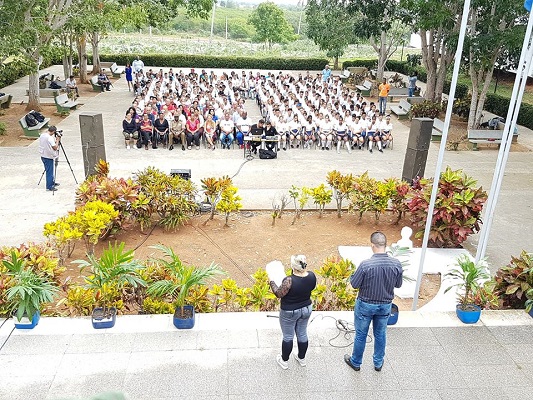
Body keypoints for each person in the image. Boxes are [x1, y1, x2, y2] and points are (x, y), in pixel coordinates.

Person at [344, 232, 403, 372]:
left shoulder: (366, 265)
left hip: (365, 305)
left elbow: (354, 284)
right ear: (385, 245)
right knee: (380, 334)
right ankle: (378, 363)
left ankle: (356, 362)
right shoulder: (396, 264)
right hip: (385, 305)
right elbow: (399, 284)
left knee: (361, 334)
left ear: (372, 245)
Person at [269, 255, 317, 370]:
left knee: (288, 336)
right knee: (302, 333)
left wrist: (271, 281)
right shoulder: (312, 276)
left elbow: (278, 294)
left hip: (289, 311)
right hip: (306, 308)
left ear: (293, 266)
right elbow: (311, 287)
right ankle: (302, 358)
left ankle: (284, 361)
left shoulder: (289, 280)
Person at [39, 126, 61, 192]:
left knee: (49, 170)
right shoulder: (50, 138)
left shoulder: (42, 135)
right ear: (53, 132)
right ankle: (49, 187)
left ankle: (52, 182)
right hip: (48, 156)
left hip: (43, 155)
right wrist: (57, 140)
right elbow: (55, 148)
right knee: (50, 172)